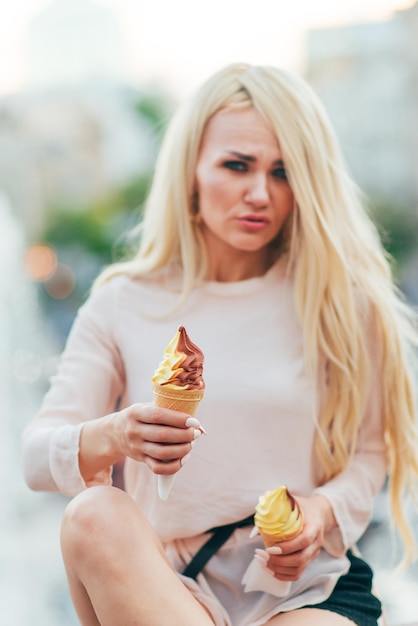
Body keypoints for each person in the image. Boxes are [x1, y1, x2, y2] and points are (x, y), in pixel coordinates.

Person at [22, 63, 418, 626]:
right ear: (191, 172)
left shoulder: (340, 299)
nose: (260, 193)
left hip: (302, 585)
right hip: (161, 583)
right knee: (92, 512)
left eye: (284, 172)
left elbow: (371, 453)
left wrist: (321, 511)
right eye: (237, 166)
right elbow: (36, 456)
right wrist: (114, 434)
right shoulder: (122, 301)